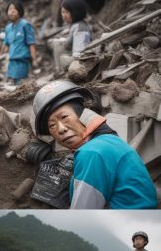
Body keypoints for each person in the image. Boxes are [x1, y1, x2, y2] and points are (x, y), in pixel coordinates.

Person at [32, 80, 158, 208]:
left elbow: (83, 217)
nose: (61, 129)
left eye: (64, 117)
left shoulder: (92, 153)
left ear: (82, 115)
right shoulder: (108, 141)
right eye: (52, 125)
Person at [50, 0, 92, 73]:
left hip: (79, 63)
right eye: (63, 12)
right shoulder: (75, 25)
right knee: (57, 43)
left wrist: (67, 61)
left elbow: (79, 53)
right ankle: (59, 70)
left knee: (59, 49)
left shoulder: (80, 28)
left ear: (76, 12)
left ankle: (61, 71)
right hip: (75, 58)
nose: (64, 15)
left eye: (67, 12)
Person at [0, 0, 37, 84]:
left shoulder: (25, 25)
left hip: (22, 61)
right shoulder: (8, 28)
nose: (11, 12)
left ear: (19, 11)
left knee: (22, 84)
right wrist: (0, 55)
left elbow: (31, 43)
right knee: (14, 84)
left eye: (14, 9)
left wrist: (34, 59)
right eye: (9, 9)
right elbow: (6, 44)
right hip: (12, 61)